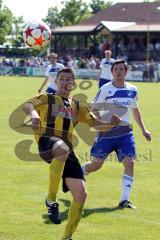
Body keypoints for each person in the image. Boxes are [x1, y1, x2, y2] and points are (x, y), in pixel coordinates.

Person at [23, 68, 120, 240]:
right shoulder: (47, 98)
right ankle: (51, 201)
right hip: (47, 142)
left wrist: (111, 124)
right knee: (62, 149)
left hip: (65, 151)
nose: (65, 82)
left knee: (81, 194)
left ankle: (67, 237)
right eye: (61, 79)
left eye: (69, 79)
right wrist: (33, 113)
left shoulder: (78, 106)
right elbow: (27, 105)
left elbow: (96, 124)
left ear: (73, 83)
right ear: (56, 81)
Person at [82, 59, 151, 209]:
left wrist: (144, 129)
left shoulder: (133, 89)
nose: (118, 72)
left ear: (126, 72)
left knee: (130, 163)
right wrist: (102, 125)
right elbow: (94, 110)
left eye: (121, 69)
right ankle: (79, 172)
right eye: (116, 69)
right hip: (106, 132)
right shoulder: (106, 89)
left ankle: (124, 200)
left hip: (125, 133)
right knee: (96, 165)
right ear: (111, 72)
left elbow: (135, 110)